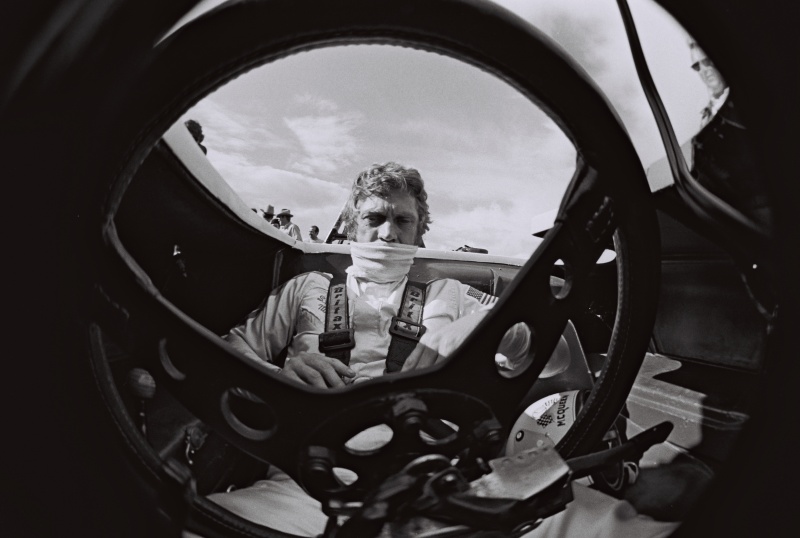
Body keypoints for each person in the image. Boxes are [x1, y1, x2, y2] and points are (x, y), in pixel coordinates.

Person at [191, 162, 685, 537]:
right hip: (313, 486)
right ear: (351, 223)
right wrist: (278, 377)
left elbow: (559, 355)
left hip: (457, 479)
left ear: (419, 230)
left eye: (402, 220)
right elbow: (221, 361)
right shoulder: (306, 289)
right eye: (374, 218)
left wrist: (489, 328)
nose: (388, 232)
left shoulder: (452, 295)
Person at [688, 40, 771, 232]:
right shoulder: (705, 116)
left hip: (759, 209)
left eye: (707, 61)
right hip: (725, 214)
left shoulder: (747, 104)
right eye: (697, 66)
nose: (703, 70)